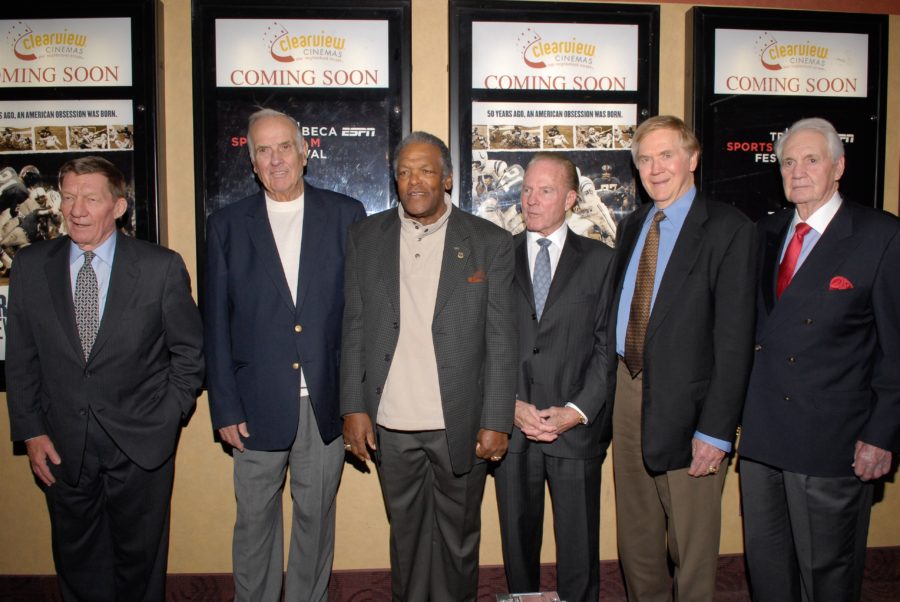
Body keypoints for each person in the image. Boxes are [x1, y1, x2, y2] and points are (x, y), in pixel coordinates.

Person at [5, 156, 204, 601]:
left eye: (90, 199)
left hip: (141, 445)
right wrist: (31, 431)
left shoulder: (160, 268)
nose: (76, 210)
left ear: (117, 206)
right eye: (69, 197)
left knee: (141, 563)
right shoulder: (32, 267)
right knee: (77, 563)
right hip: (62, 446)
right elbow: (20, 359)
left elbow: (189, 354)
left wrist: (167, 416)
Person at [341, 131, 517, 601]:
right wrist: (352, 407)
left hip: (457, 421)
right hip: (391, 422)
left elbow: (501, 340)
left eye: (424, 170)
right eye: (403, 172)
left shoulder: (490, 243)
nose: (413, 181)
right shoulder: (365, 236)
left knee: (458, 541)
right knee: (407, 537)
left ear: (448, 179)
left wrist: (497, 419)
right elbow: (354, 327)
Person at [204, 108, 365, 602]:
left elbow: (362, 316)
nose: (275, 159)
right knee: (254, 524)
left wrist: (356, 401)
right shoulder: (227, 225)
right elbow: (214, 324)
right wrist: (225, 407)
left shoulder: (346, 214)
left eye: (283, 147)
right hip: (254, 406)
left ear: (304, 152)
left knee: (316, 523)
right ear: (251, 162)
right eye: (262, 150)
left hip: (325, 404)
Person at [739, 117, 900, 602]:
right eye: (788, 162)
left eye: (811, 159)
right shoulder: (765, 234)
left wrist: (881, 434)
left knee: (827, 574)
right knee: (767, 571)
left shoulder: (879, 236)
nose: (798, 171)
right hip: (763, 437)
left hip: (832, 442)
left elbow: (897, 347)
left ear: (839, 166)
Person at [608, 115, 756, 601]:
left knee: (690, 547)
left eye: (666, 155)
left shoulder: (729, 229)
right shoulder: (632, 226)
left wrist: (716, 431)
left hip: (691, 407)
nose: (655, 168)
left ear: (692, 159)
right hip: (626, 392)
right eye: (645, 159)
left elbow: (735, 341)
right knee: (637, 535)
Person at [494, 153, 614, 601]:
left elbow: (607, 347)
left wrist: (576, 411)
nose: (531, 199)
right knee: (517, 545)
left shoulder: (602, 261)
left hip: (576, 430)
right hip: (513, 426)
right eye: (526, 189)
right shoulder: (498, 256)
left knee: (579, 549)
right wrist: (509, 405)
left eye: (545, 191)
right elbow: (482, 343)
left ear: (569, 198)